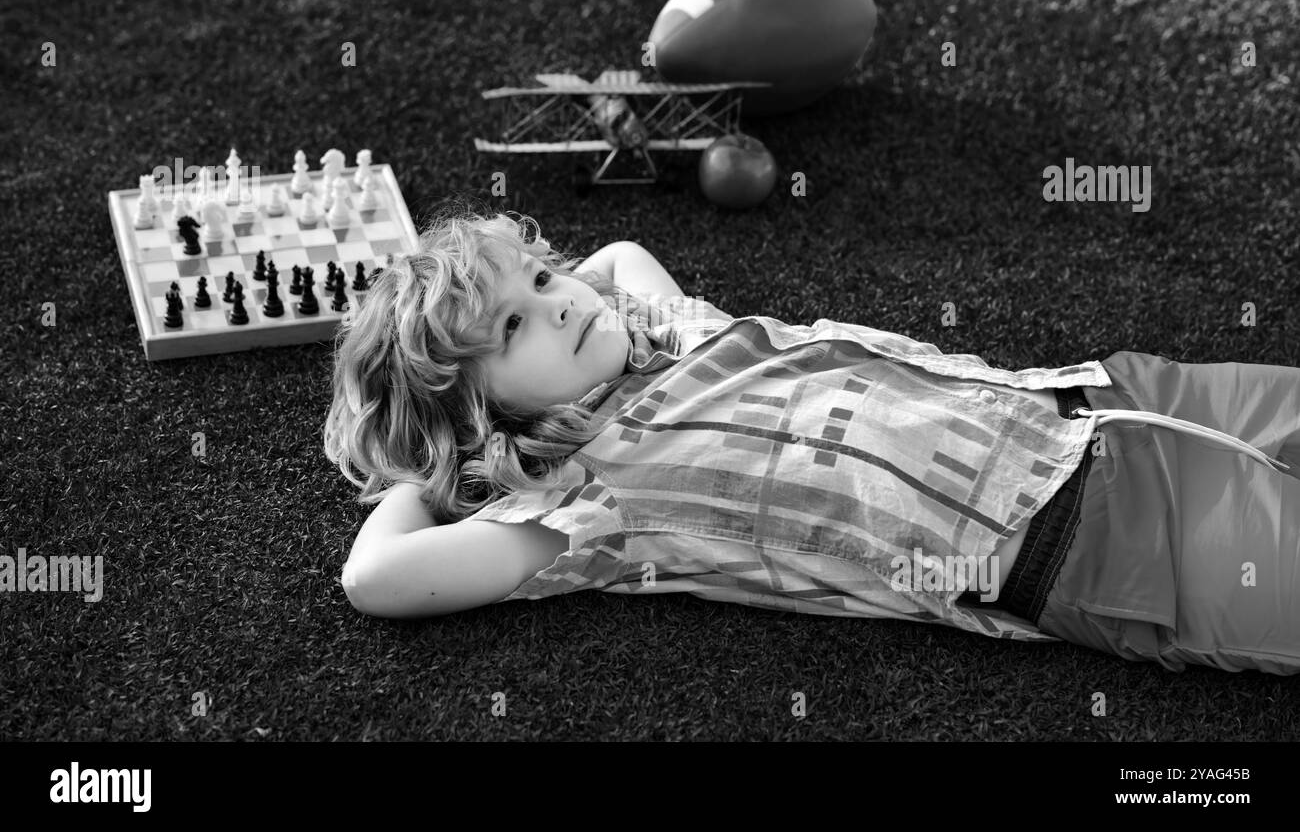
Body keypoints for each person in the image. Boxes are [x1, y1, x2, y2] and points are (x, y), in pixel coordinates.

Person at [323, 207, 1300, 676]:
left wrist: (545, 312)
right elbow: (379, 577)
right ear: (477, 413)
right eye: (509, 330)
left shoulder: (673, 331)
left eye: (540, 280)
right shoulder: (595, 508)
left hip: (1102, 395)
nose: (558, 302)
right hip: (1100, 543)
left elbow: (614, 261)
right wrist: (446, 456)